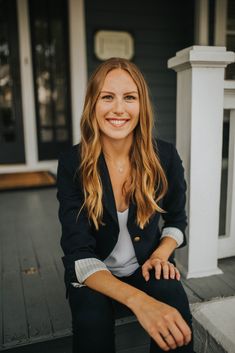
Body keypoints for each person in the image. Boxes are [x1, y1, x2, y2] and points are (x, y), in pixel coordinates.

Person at [57, 57, 194, 353]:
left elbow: (177, 220)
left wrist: (160, 255)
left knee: (176, 312)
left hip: (147, 263)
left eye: (129, 97)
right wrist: (140, 302)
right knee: (92, 326)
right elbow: (78, 254)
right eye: (107, 97)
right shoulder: (73, 163)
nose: (119, 108)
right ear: (93, 104)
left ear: (141, 105)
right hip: (94, 273)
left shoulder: (165, 156)